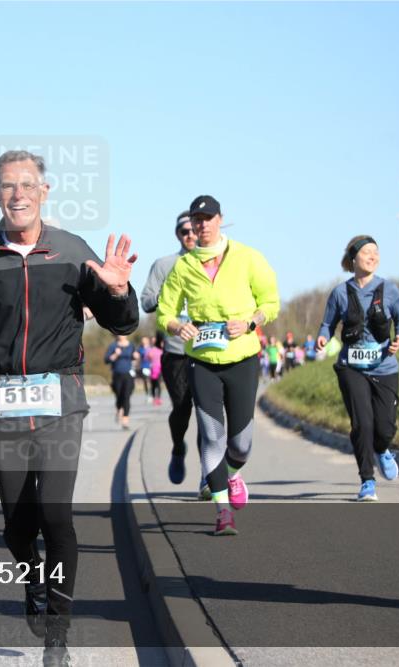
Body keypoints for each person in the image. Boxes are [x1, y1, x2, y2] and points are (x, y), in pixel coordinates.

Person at [0, 150, 138, 666]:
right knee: (19, 524)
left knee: (56, 514)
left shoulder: (71, 250)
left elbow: (123, 323)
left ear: (45, 192)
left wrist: (118, 289)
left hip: (61, 399)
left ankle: (58, 636)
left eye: (27, 184)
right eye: (6, 185)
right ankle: (33, 583)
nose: (17, 193)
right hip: (0, 400)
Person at [157, 194, 279, 536]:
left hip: (241, 358)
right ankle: (222, 511)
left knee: (240, 444)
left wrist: (251, 322)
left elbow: (270, 301)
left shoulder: (248, 257)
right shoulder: (184, 266)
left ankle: (233, 473)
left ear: (220, 220)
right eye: (197, 220)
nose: (202, 225)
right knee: (211, 435)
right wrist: (178, 325)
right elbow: (165, 311)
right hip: (201, 361)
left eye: (208, 218)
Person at [316, 236, 399, 501]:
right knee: (362, 424)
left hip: (384, 367)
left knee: (385, 428)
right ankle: (367, 481)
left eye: (376, 252)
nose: (372, 256)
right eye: (367, 252)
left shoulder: (389, 289)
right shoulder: (340, 292)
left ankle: (382, 449)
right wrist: (324, 336)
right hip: (351, 367)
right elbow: (327, 323)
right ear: (353, 258)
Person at [140, 212, 198, 485]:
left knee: (209, 414)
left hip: (210, 350)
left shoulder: (214, 264)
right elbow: (146, 301)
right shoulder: (164, 265)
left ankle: (210, 478)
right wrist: (169, 291)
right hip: (176, 351)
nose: (190, 235)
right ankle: (178, 447)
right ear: (178, 234)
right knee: (182, 409)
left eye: (193, 230)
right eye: (184, 231)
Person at [105, 334, 138, 430]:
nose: (122, 335)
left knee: (126, 396)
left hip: (128, 374)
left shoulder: (131, 345)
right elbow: (106, 360)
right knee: (119, 396)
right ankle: (119, 409)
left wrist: (136, 356)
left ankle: (125, 420)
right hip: (117, 375)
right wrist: (115, 355)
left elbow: (135, 357)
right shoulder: (113, 346)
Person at [147, 334, 164, 407]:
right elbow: (146, 358)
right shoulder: (149, 349)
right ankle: (154, 398)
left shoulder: (161, 348)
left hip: (160, 368)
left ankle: (159, 398)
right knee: (153, 384)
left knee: (158, 384)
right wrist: (148, 356)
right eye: (152, 340)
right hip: (152, 368)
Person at [137, 335, 152, 400]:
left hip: (152, 367)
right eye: (142, 340)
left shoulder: (152, 348)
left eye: (145, 340)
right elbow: (137, 357)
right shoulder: (140, 349)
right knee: (145, 381)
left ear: (148, 341)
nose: (143, 341)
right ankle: (148, 394)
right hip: (144, 367)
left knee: (152, 381)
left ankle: (153, 393)